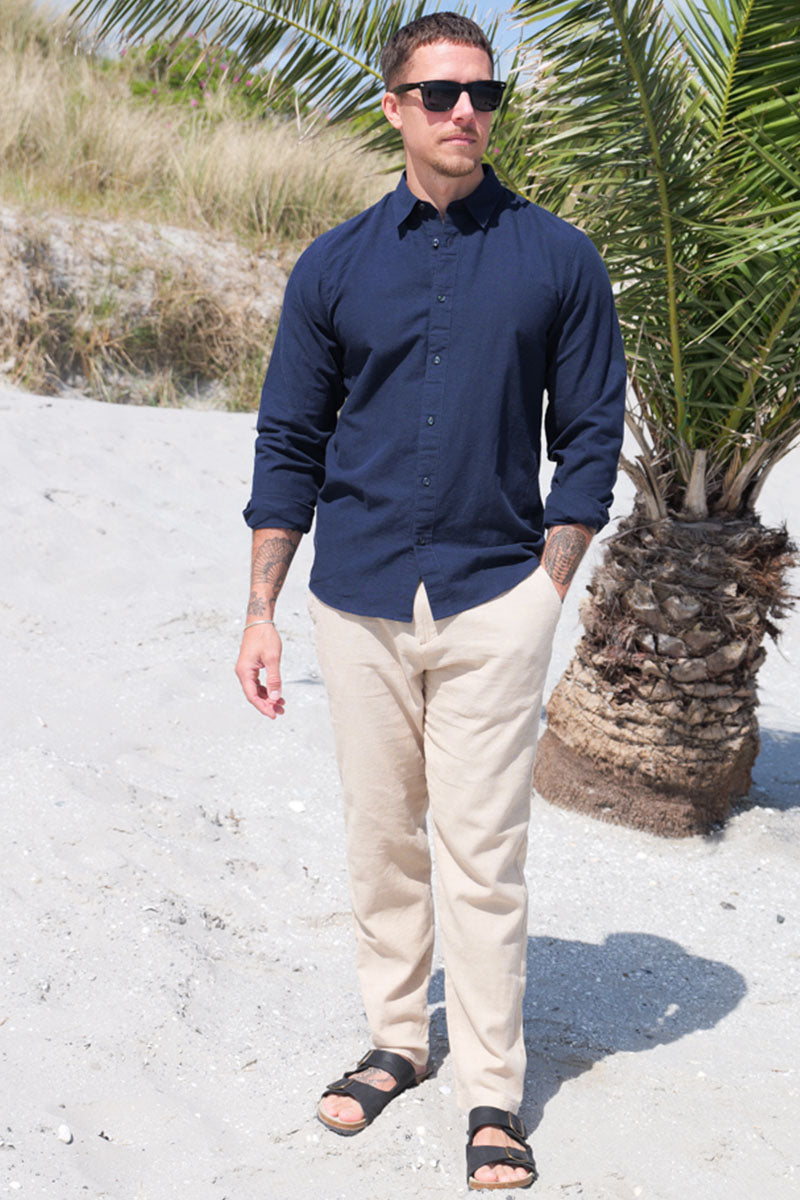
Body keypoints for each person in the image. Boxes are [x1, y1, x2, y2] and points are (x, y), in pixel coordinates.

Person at [235, 11, 626, 1190]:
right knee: (380, 840)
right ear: (393, 107)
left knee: (482, 855)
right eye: (442, 92)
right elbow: (288, 440)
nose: (466, 111)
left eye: (483, 93)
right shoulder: (333, 265)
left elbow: (590, 436)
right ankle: (397, 1041)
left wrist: (545, 588)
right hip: (355, 598)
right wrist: (260, 609)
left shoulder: (557, 259)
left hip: (493, 596)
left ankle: (492, 1093)